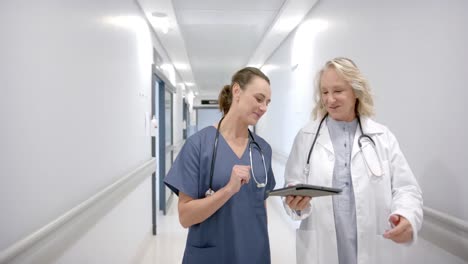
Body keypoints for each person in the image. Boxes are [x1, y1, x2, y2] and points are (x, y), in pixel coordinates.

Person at [283, 57, 423, 264]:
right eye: (324, 92)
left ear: (356, 92)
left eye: (338, 91)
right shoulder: (306, 137)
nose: (330, 99)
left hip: (372, 249)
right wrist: (296, 202)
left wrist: (407, 216)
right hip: (322, 249)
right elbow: (291, 186)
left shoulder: (381, 137)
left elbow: (406, 188)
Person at [164, 67, 276, 264]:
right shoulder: (198, 145)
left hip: (254, 253)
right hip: (212, 255)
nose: (264, 107)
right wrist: (227, 190)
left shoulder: (262, 149)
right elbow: (185, 217)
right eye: (259, 99)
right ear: (237, 91)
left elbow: (261, 208)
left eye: (267, 102)